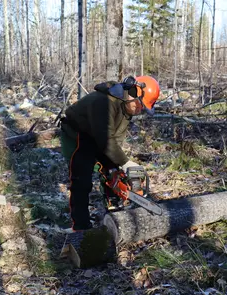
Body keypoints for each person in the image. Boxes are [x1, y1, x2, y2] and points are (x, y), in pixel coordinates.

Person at [60, 76, 160, 231]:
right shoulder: (104, 103)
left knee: (112, 173)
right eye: (141, 105)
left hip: (98, 137)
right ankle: (80, 226)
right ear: (134, 92)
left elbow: (114, 139)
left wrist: (116, 166)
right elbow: (106, 140)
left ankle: (114, 211)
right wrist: (125, 162)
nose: (140, 110)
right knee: (82, 181)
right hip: (77, 135)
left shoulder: (126, 107)